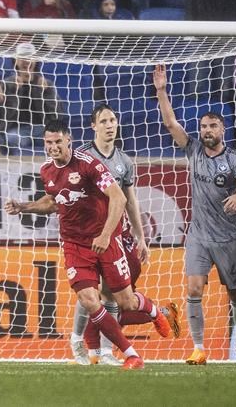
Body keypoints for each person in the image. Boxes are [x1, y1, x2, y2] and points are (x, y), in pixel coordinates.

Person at [6, 119, 172, 371]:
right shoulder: (46, 171)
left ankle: (153, 311)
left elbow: (117, 197)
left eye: (58, 142)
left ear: (68, 139)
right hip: (74, 244)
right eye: (48, 142)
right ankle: (130, 354)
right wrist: (24, 206)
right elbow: (54, 201)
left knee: (125, 302)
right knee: (88, 299)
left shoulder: (88, 164)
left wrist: (106, 235)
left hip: (105, 241)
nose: (53, 147)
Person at [154, 66, 236, 366]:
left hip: (228, 237)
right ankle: (199, 348)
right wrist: (162, 91)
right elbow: (171, 123)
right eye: (203, 126)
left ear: (222, 129)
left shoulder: (233, 159)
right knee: (194, 289)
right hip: (199, 235)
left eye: (212, 126)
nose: (207, 131)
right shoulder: (194, 150)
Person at [70, 104, 179, 365]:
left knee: (113, 297)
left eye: (113, 120)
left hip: (116, 238)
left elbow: (130, 202)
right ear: (93, 126)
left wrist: (141, 237)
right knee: (89, 293)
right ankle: (84, 346)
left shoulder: (124, 162)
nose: (110, 125)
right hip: (85, 237)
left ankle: (104, 352)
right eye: (104, 121)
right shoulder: (81, 156)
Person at [0, 42, 61, 153]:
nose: (26, 61)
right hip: (17, 129)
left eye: (30, 57)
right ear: (16, 61)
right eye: (22, 57)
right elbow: (3, 114)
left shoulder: (46, 83)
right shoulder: (7, 83)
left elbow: (57, 114)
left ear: (35, 61)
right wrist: (14, 91)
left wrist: (46, 93)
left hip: (41, 128)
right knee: (13, 138)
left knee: (55, 139)